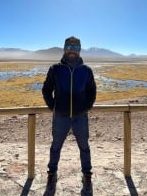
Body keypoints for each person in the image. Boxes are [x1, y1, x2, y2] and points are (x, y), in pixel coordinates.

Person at [42, 36, 96, 196]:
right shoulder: (55, 69)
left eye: (76, 47)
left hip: (81, 116)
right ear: (64, 48)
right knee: (55, 147)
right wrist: (54, 107)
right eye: (70, 47)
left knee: (84, 147)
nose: (73, 50)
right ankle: (52, 175)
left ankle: (87, 177)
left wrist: (87, 106)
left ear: (80, 50)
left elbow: (92, 90)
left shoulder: (86, 70)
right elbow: (46, 90)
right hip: (60, 117)